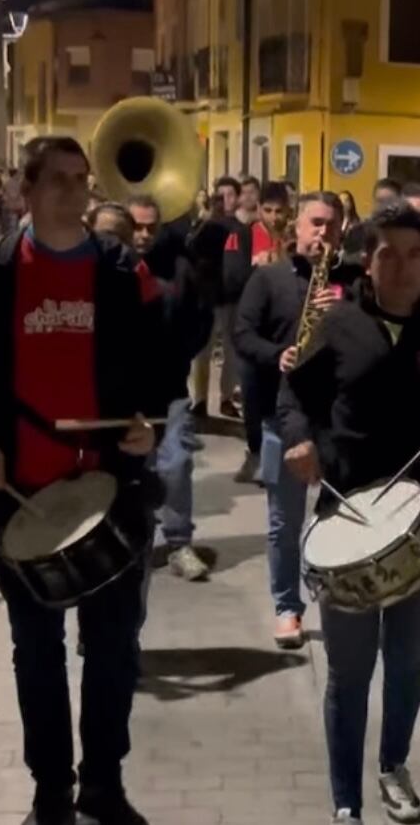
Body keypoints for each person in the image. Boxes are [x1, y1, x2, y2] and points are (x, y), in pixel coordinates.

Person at [0, 136, 168, 825]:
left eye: (81, 179)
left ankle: (103, 783)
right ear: (26, 192)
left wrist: (149, 422)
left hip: (110, 492)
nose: (73, 191)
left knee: (114, 650)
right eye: (57, 180)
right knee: (36, 654)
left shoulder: (128, 274)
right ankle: (49, 792)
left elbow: (159, 361)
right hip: (23, 498)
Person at [279, 204, 420, 825]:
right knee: (349, 675)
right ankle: (346, 799)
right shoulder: (338, 326)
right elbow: (293, 397)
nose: (401, 267)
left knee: (405, 664)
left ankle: (392, 766)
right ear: (367, 263)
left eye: (414, 255)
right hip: (344, 518)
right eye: (387, 255)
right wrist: (299, 438)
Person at [233, 190, 349, 649]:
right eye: (316, 223)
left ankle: (341, 601)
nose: (323, 232)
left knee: (338, 517)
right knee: (285, 522)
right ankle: (287, 607)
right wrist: (277, 355)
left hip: (337, 421)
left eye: (332, 225)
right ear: (297, 228)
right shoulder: (268, 280)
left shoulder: (353, 280)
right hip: (281, 418)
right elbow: (242, 334)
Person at [128, 194, 214, 582]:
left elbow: (201, 320)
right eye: (137, 226)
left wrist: (177, 353)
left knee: (176, 465)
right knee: (130, 470)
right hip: (124, 392)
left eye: (151, 227)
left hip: (169, 387)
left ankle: (179, 542)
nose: (144, 234)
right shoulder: (110, 265)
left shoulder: (181, 267)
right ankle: (133, 543)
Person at [227, 182, 293, 484]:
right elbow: (229, 278)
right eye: (268, 210)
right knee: (253, 400)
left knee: (282, 400)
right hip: (252, 331)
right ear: (259, 210)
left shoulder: (293, 238)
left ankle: (276, 458)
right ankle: (254, 451)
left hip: (284, 332)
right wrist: (256, 268)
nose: (275, 217)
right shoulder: (242, 235)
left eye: (280, 211)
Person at [188, 175, 242, 418]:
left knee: (231, 351)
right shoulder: (204, 225)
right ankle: (199, 400)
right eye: (220, 196)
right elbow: (190, 249)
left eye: (230, 195)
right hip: (207, 296)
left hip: (233, 296)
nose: (225, 201)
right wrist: (205, 221)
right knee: (203, 351)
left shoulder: (241, 228)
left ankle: (226, 397)